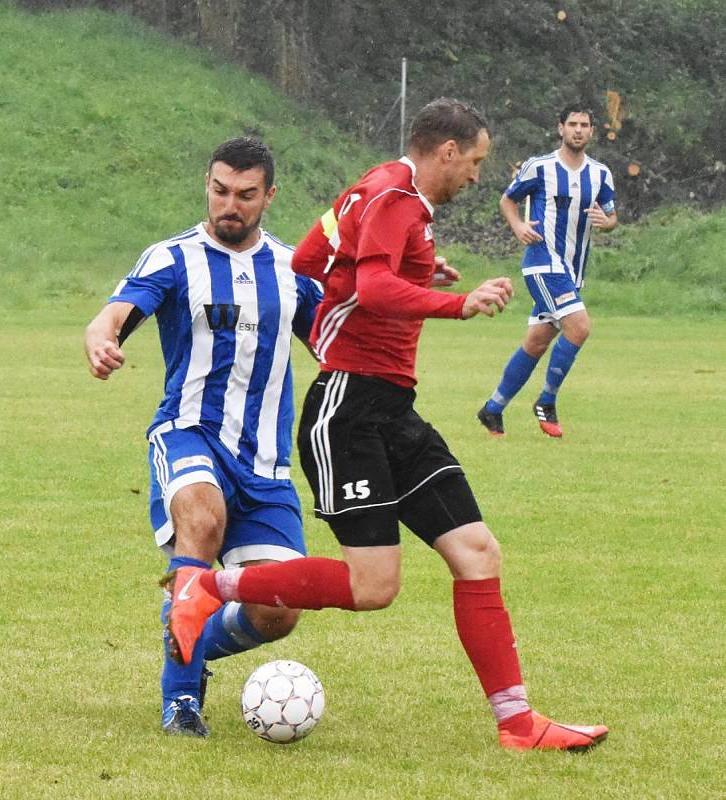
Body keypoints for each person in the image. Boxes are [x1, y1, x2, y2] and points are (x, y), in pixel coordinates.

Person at [164, 99, 609, 751]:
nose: (478, 177)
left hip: (391, 407)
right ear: (447, 152)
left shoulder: (369, 189)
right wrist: (456, 303)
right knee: (373, 586)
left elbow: (311, 259)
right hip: (347, 411)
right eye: (476, 162)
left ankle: (518, 725)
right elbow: (369, 289)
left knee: (476, 551)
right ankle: (209, 587)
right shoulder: (396, 199)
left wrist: (414, 270)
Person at [84, 137, 321, 737]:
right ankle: (181, 698)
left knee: (278, 611)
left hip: (265, 465)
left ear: (269, 195)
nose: (229, 206)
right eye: (219, 191)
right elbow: (113, 314)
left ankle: (186, 644)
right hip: (188, 433)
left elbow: (342, 338)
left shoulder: (294, 271)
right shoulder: (171, 258)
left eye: (245, 195)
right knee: (202, 518)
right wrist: (101, 338)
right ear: (207, 186)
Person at [477, 103, 618, 438]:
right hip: (542, 262)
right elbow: (507, 201)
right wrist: (518, 227)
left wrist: (607, 223)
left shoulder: (600, 174)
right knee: (580, 327)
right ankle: (547, 401)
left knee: (536, 343)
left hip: (571, 269)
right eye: (572, 124)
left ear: (592, 131)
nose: (578, 130)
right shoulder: (538, 168)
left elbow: (611, 217)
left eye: (584, 125)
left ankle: (492, 408)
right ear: (560, 128)